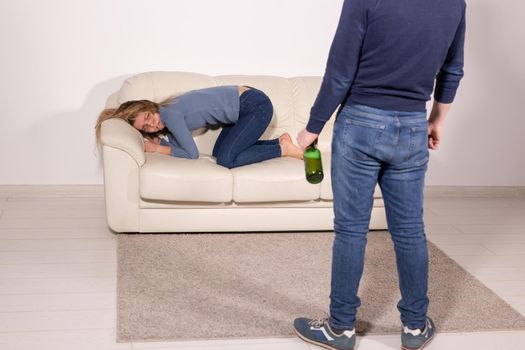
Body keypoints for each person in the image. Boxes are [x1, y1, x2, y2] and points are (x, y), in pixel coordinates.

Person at [294, 0, 466, 349]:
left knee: (351, 231)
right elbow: (453, 70)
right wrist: (437, 120)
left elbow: (340, 70)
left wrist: (313, 127)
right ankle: (415, 327)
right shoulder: (455, 3)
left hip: (361, 122)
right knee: (410, 232)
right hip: (413, 125)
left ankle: (340, 328)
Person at [96, 86, 303, 168]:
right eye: (146, 127)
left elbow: (191, 154)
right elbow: (180, 149)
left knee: (226, 160)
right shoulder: (168, 118)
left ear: (149, 107)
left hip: (255, 105)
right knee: (218, 152)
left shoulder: (171, 114)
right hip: (243, 110)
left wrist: (156, 147)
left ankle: (281, 148)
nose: (152, 124)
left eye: (148, 117)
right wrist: (161, 141)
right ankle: (279, 142)